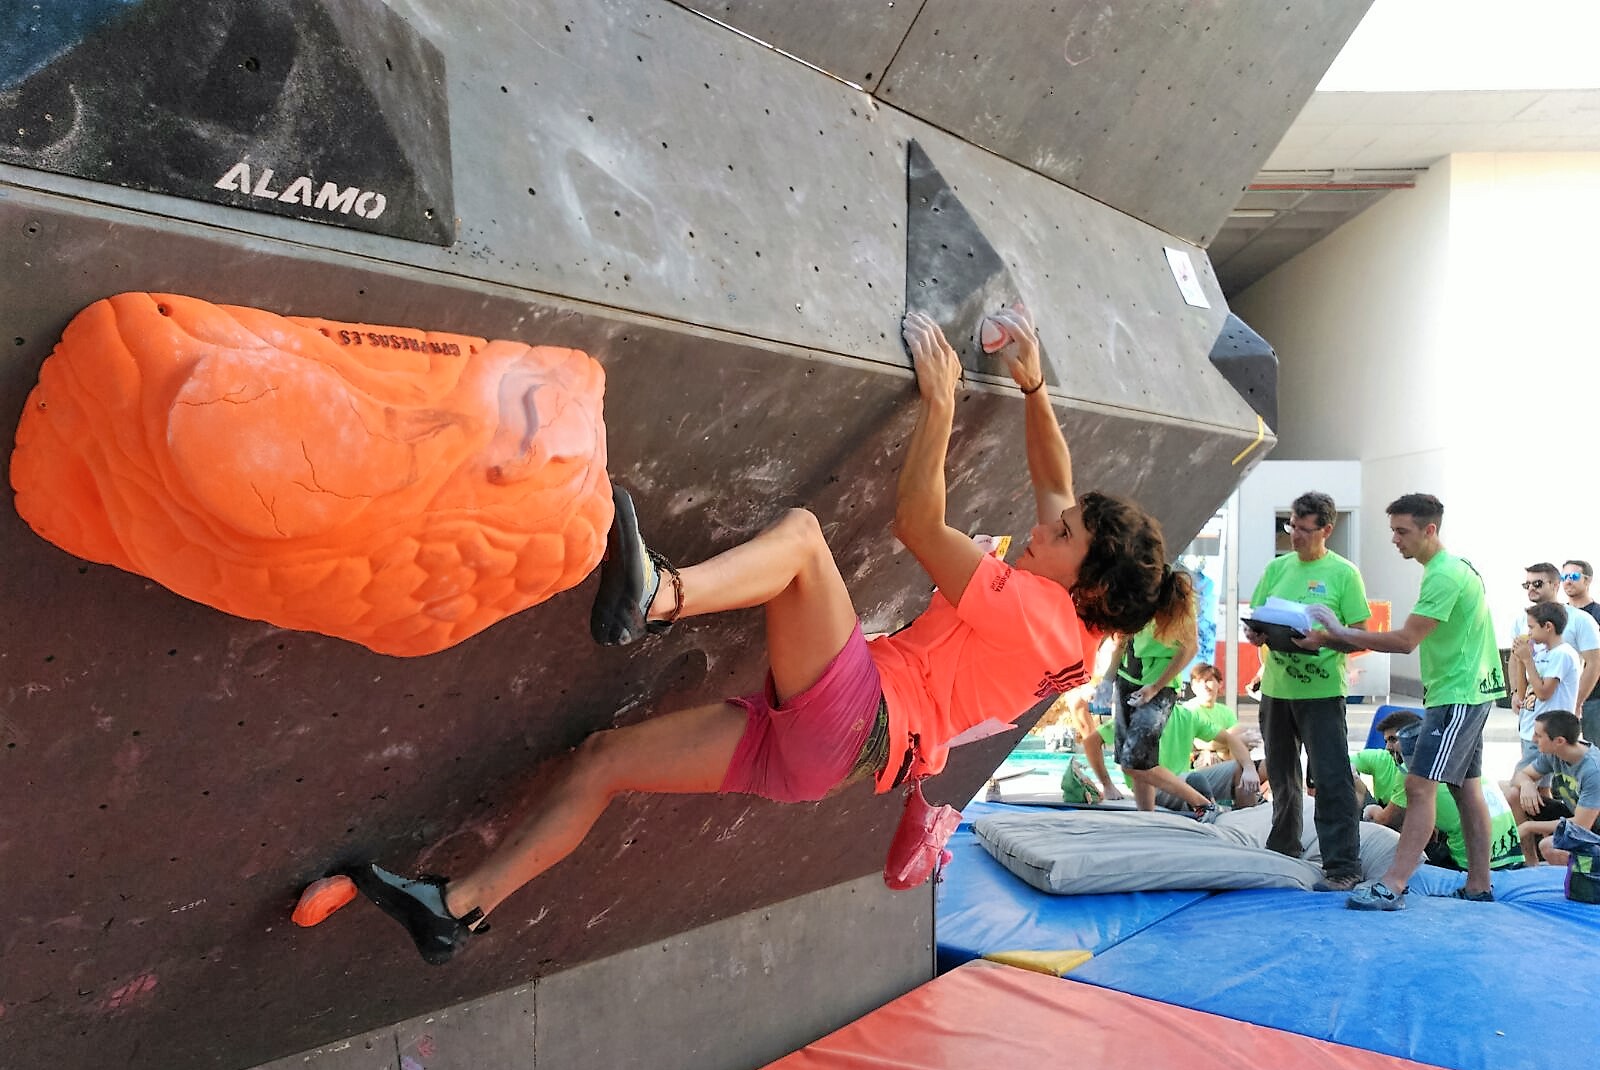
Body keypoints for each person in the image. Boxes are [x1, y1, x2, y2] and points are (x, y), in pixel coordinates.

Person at [346, 304, 1191, 964]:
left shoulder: (1039, 613)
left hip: (861, 717)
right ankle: (454, 909)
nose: (1046, 527)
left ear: (1090, 581)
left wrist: (940, 405)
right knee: (602, 761)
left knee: (802, 542)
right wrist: (1034, 387)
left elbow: (917, 521)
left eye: (1064, 535)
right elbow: (1056, 481)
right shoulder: (1079, 627)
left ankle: (657, 595)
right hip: (824, 755)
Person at [1299, 493, 1505, 910]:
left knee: (1418, 786)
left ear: (1429, 529)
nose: (1394, 539)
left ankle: (1393, 884)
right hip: (1471, 690)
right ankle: (1479, 884)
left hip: (1457, 694)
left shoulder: (1443, 575)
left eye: (1402, 531)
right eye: (1392, 530)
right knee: (1466, 789)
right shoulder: (1456, 567)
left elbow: (1406, 640)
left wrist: (1338, 632)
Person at [1246, 491, 1370, 890]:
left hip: (1321, 694)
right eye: (1291, 526)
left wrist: (1325, 640)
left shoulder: (1344, 574)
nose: (1294, 536)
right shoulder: (1277, 568)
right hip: (1276, 690)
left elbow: (1361, 636)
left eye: (1303, 529)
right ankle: (1284, 847)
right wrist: (1256, 634)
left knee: (1332, 778)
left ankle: (1342, 865)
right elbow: (1257, 617)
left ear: (1326, 530)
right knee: (1281, 777)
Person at [1356, 711, 1521, 872]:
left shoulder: (1410, 771)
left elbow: (1387, 822)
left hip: (1470, 865)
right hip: (1511, 854)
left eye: (1393, 740)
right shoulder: (1455, 756)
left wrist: (1372, 809)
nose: (1387, 747)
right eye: (1386, 741)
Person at [1083, 663, 1261, 812]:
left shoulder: (1188, 715)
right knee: (1188, 778)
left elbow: (1231, 738)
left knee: (1241, 767)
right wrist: (1107, 785)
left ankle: (1244, 818)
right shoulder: (1135, 717)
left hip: (1185, 779)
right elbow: (1091, 741)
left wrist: (1249, 768)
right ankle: (1208, 809)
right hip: (1158, 787)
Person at [1111, 570, 1199, 812]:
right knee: (1136, 762)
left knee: (1135, 762)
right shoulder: (1135, 597)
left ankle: (1201, 803)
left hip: (1158, 685)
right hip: (1128, 679)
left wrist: (1156, 687)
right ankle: (1147, 816)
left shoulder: (1178, 606)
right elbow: (1121, 640)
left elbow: (1190, 648)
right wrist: (1108, 679)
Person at [1500, 709, 1600, 866]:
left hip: (1592, 828)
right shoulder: (1554, 752)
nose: (1533, 739)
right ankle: (1530, 864)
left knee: (1549, 846)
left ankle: (1572, 878)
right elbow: (1521, 775)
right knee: (1513, 793)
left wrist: (1529, 826)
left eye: (1538, 735)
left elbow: (1581, 825)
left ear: (1559, 741)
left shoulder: (1593, 771)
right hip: (1575, 814)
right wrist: (1527, 784)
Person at [1507, 563, 1598, 725]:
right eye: (1527, 585)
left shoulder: (1580, 619)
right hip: (1532, 714)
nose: (1531, 588)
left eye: (1537, 584)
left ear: (1555, 585)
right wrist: (1515, 692)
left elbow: (1594, 663)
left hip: (1568, 710)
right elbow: (1515, 658)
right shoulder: (1521, 620)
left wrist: (1576, 702)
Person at [1510, 601, 1581, 767]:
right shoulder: (1542, 653)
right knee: (1532, 780)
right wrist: (1521, 660)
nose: (1528, 632)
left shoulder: (1562, 654)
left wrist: (1528, 660)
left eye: (1531, 627)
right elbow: (1522, 694)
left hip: (1548, 735)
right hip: (1530, 730)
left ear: (1548, 626)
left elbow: (1543, 693)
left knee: (1522, 779)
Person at [1559, 559, 1600, 744]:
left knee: (1595, 751)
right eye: (1564, 577)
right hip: (1562, 696)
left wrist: (1579, 700)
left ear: (1588, 580)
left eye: (1574, 576)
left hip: (1594, 699)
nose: (1568, 581)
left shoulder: (1597, 614)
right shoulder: (1558, 615)